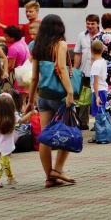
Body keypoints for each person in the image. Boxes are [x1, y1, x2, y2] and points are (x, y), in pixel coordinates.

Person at [28, 13, 76, 187]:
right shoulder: (60, 44)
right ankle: (58, 169)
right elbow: (62, 70)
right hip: (59, 96)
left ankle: (49, 177)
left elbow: (34, 78)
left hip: (43, 97)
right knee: (69, 131)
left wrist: (31, 100)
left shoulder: (37, 46)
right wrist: (70, 91)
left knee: (45, 136)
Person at [0, 93, 28, 188]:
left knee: (5, 160)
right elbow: (23, 120)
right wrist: (30, 113)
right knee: (3, 161)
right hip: (7, 144)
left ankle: (10, 178)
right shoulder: (13, 117)